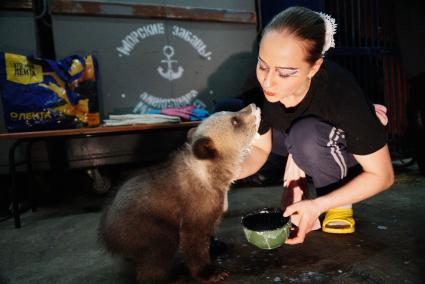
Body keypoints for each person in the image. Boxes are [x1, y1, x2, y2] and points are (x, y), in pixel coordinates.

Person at [237, 6, 394, 244]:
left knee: (306, 136)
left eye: (285, 73)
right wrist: (222, 173)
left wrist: (319, 205)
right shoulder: (255, 86)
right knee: (230, 114)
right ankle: (298, 160)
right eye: (262, 65)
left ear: (315, 67)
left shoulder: (341, 92)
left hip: (342, 150)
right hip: (294, 140)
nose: (268, 81)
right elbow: (259, 148)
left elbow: (382, 175)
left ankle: (339, 199)